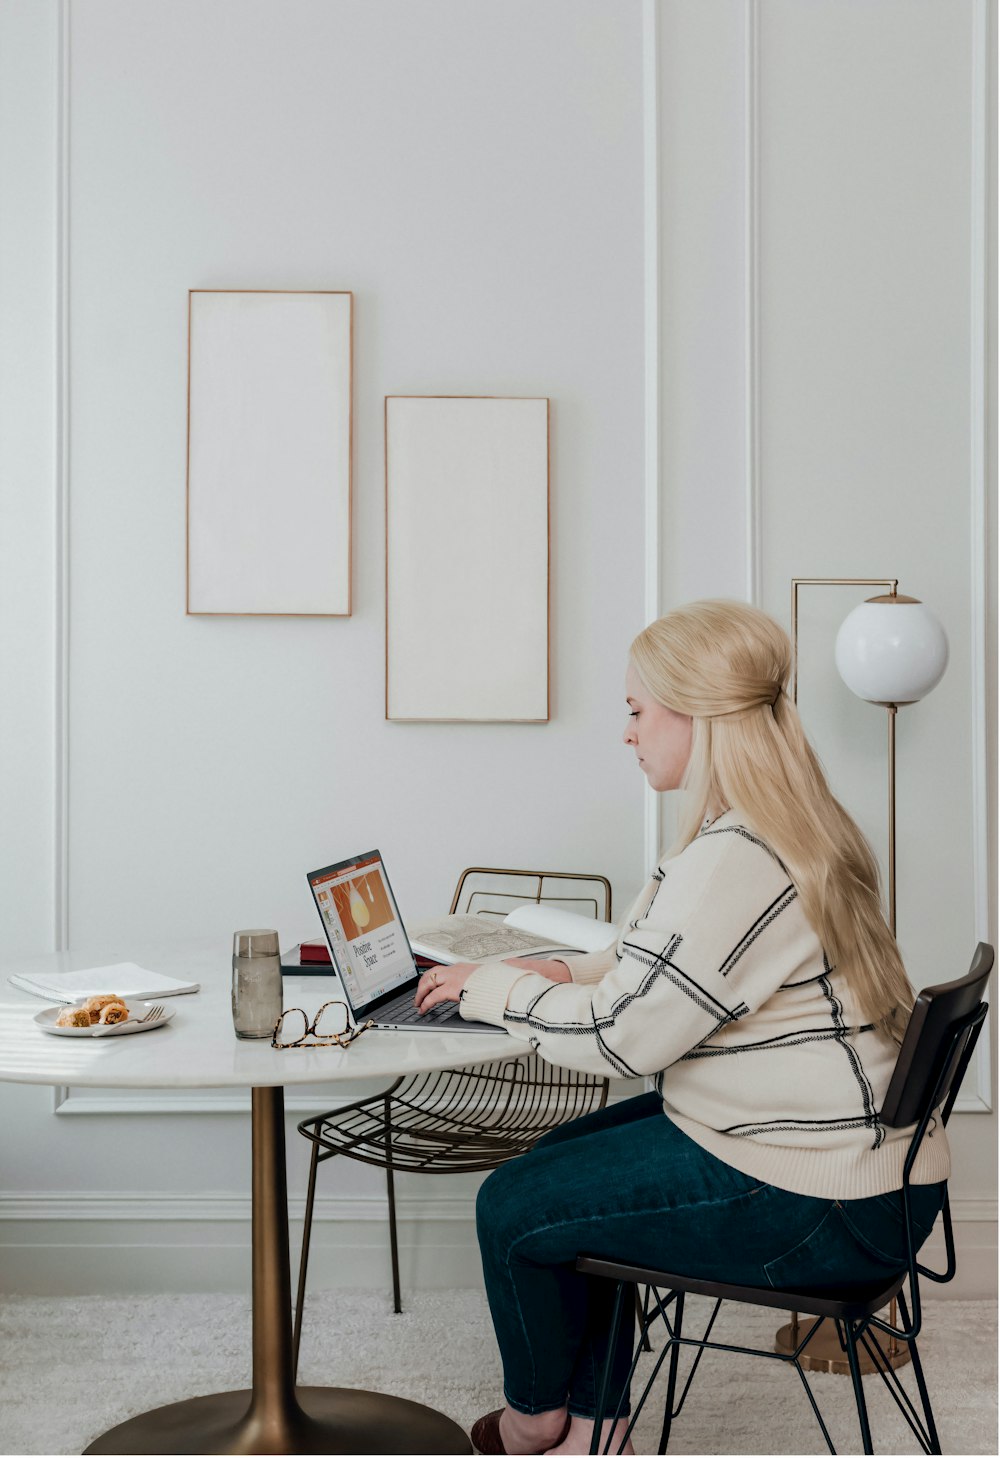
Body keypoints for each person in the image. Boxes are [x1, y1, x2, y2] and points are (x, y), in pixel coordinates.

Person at [414, 600, 948, 1457]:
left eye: (635, 710)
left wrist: (488, 991)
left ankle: (532, 1423)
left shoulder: (737, 859)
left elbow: (623, 1040)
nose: (626, 733)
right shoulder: (791, 827)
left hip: (821, 1208)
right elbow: (663, 962)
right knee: (558, 1171)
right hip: (858, 1175)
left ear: (697, 717)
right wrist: (556, 972)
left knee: (512, 1206)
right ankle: (594, 1427)